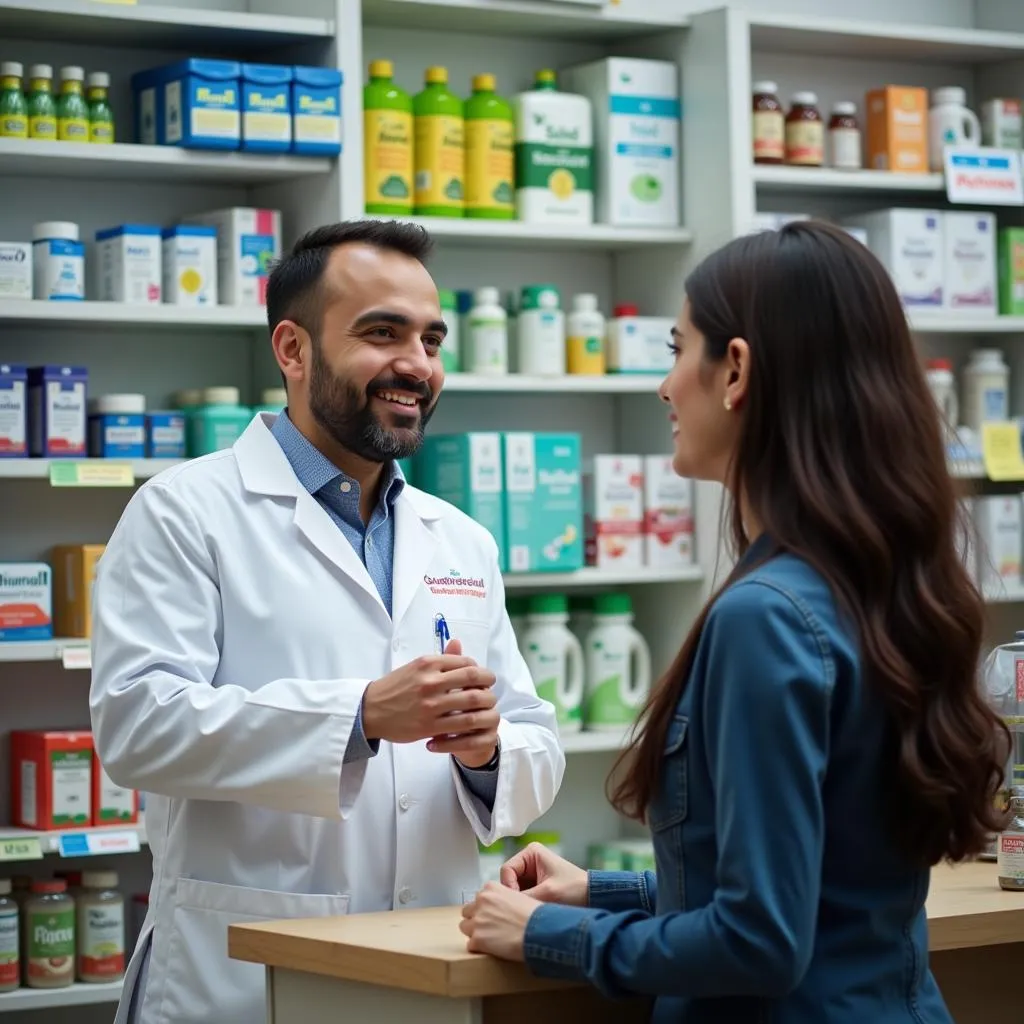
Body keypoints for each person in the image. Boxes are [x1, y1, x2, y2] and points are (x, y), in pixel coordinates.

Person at [459, 221, 1010, 1023]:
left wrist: (551, 934)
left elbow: (758, 940)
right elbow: (825, 885)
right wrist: (601, 890)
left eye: (680, 348)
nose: (665, 385)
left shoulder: (766, 617)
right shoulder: (872, 581)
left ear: (737, 370)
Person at [89, 219, 564, 1024]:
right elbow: (136, 725)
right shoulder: (184, 513)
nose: (416, 364)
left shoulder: (462, 539)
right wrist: (359, 717)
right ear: (293, 349)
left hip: (430, 967)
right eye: (382, 333)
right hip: (241, 977)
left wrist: (489, 751)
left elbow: (536, 739)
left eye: (431, 338)